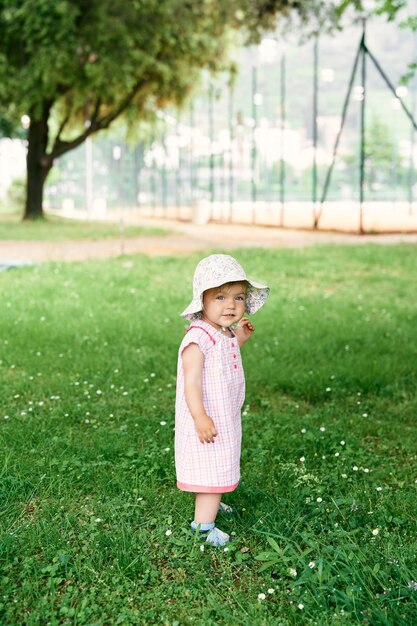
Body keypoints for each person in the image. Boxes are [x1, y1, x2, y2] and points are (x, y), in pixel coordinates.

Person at [175, 254, 269, 546]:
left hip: (223, 413)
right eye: (220, 297)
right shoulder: (197, 337)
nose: (231, 305)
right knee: (211, 466)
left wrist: (239, 338)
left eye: (239, 297)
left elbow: (223, 356)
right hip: (206, 417)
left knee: (220, 462)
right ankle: (203, 527)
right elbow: (191, 380)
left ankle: (212, 499)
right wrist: (200, 416)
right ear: (202, 300)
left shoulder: (222, 331)